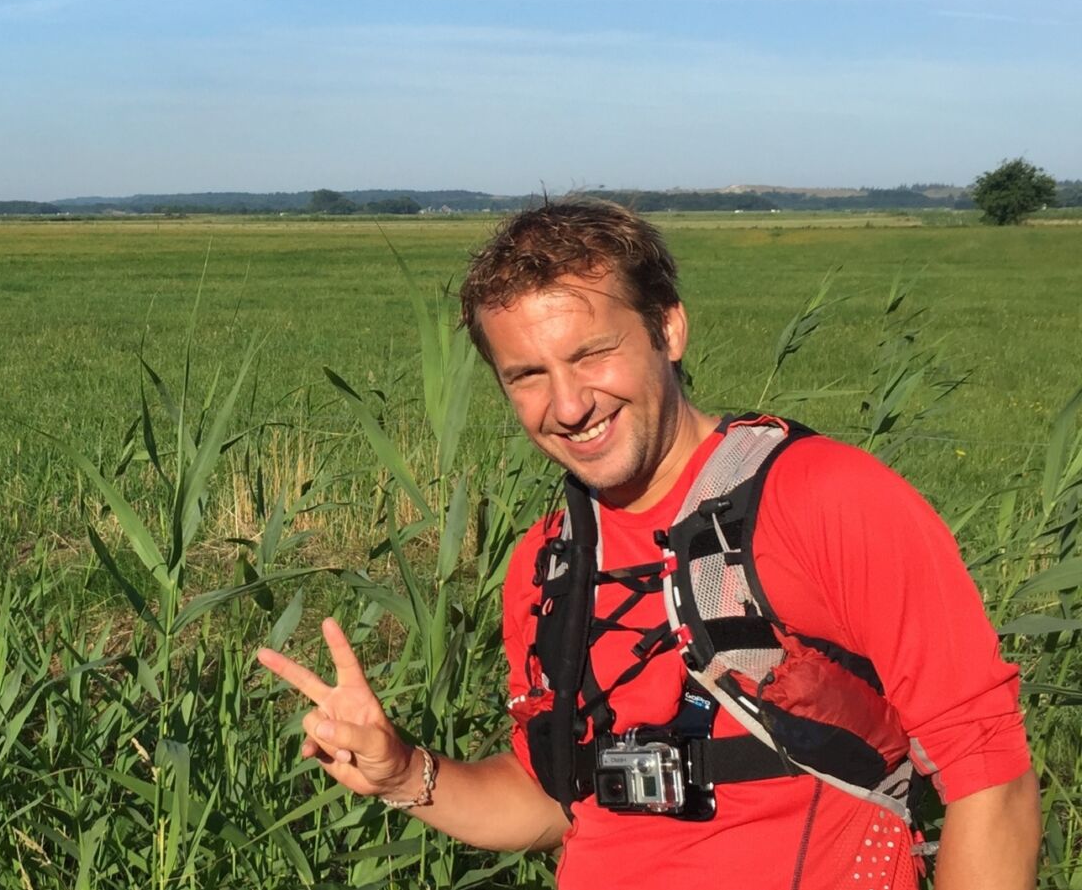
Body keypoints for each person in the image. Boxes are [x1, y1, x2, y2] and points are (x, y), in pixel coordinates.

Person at [257, 201, 1039, 889]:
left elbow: (988, 777)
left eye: (592, 353)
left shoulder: (825, 498)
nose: (568, 404)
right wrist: (402, 771)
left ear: (669, 327)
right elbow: (550, 800)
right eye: (526, 374)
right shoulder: (547, 562)